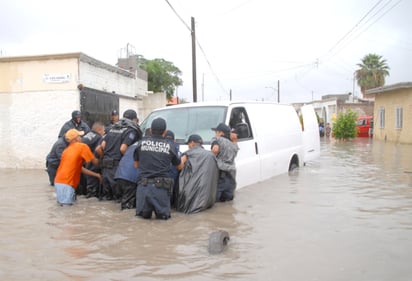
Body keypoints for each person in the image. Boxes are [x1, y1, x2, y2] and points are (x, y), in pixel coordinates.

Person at [133, 117, 186, 220]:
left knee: (141, 221)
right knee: (163, 222)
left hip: (143, 188)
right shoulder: (170, 146)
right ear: (165, 132)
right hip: (161, 189)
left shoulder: (140, 144)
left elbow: (136, 165)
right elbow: (179, 166)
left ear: (151, 130)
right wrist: (184, 159)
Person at [97, 109, 142, 201]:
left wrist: (104, 158)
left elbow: (100, 147)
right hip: (117, 168)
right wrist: (128, 160)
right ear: (134, 120)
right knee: (118, 200)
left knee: (106, 199)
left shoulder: (113, 128)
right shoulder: (131, 131)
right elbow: (123, 149)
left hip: (105, 169)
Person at [54, 129, 101, 205]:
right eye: (79, 136)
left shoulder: (66, 150)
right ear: (76, 138)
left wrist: (96, 175)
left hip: (58, 182)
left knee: (63, 208)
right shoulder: (82, 146)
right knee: (66, 210)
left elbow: (80, 168)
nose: (81, 138)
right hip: (67, 183)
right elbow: (94, 161)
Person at [177, 134, 219, 213]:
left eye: (188, 144)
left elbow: (179, 166)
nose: (188, 147)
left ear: (192, 143)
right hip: (208, 199)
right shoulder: (211, 155)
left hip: (192, 197)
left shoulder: (188, 154)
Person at [211, 123, 239, 202]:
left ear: (221, 133)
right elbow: (235, 152)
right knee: (228, 200)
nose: (215, 134)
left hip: (220, 173)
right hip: (231, 174)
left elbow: (215, 150)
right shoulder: (233, 144)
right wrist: (234, 140)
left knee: (215, 200)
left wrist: (209, 156)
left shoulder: (216, 139)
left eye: (216, 132)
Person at [81, 121, 105, 198]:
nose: (104, 133)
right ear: (99, 130)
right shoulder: (98, 137)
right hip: (90, 166)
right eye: (103, 131)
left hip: (81, 163)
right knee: (93, 193)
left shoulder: (87, 135)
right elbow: (97, 150)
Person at [114, 142, 140, 210]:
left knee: (121, 202)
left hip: (119, 175)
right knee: (128, 207)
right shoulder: (147, 146)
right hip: (131, 178)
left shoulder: (134, 144)